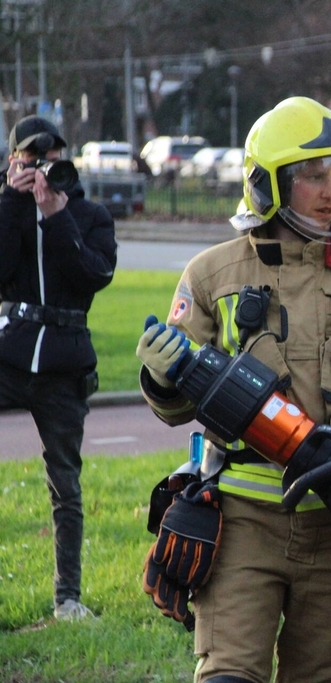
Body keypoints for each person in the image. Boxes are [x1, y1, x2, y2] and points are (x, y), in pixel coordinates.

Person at [136, 96, 331, 683]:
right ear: (266, 182)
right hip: (242, 518)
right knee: (229, 672)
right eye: (311, 175)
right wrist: (160, 376)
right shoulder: (212, 275)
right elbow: (176, 407)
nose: (330, 191)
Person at [0, 115, 117, 622]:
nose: (43, 170)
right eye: (31, 160)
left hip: (65, 361)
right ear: (14, 163)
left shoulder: (89, 215)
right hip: (9, 351)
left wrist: (56, 216)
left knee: (65, 483)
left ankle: (67, 597)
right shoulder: (7, 209)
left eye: (51, 159)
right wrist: (11, 202)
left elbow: (94, 274)